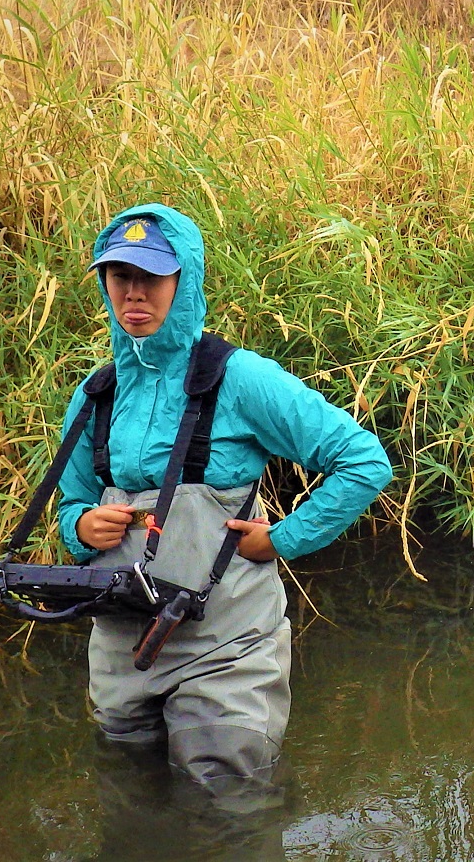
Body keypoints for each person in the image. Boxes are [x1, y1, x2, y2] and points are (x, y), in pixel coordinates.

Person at [53, 203, 392, 796]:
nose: (134, 292)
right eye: (120, 276)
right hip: (121, 650)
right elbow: (71, 501)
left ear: (185, 281)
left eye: (152, 277)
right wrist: (81, 527)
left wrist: (283, 539)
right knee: (132, 802)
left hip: (227, 645)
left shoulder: (240, 378)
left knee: (227, 809)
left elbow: (363, 461)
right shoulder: (94, 393)